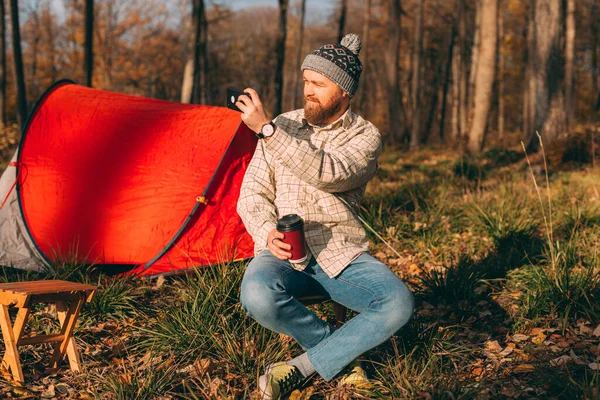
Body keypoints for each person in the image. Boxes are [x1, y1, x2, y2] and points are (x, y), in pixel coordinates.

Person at [235, 33, 414, 400]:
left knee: (398, 303)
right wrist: (267, 232)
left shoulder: (365, 137)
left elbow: (327, 172)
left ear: (345, 92)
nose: (308, 91)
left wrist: (267, 131)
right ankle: (342, 358)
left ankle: (301, 367)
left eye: (319, 83)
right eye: (305, 81)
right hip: (284, 256)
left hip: (341, 256)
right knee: (255, 292)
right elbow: (252, 194)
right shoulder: (284, 124)